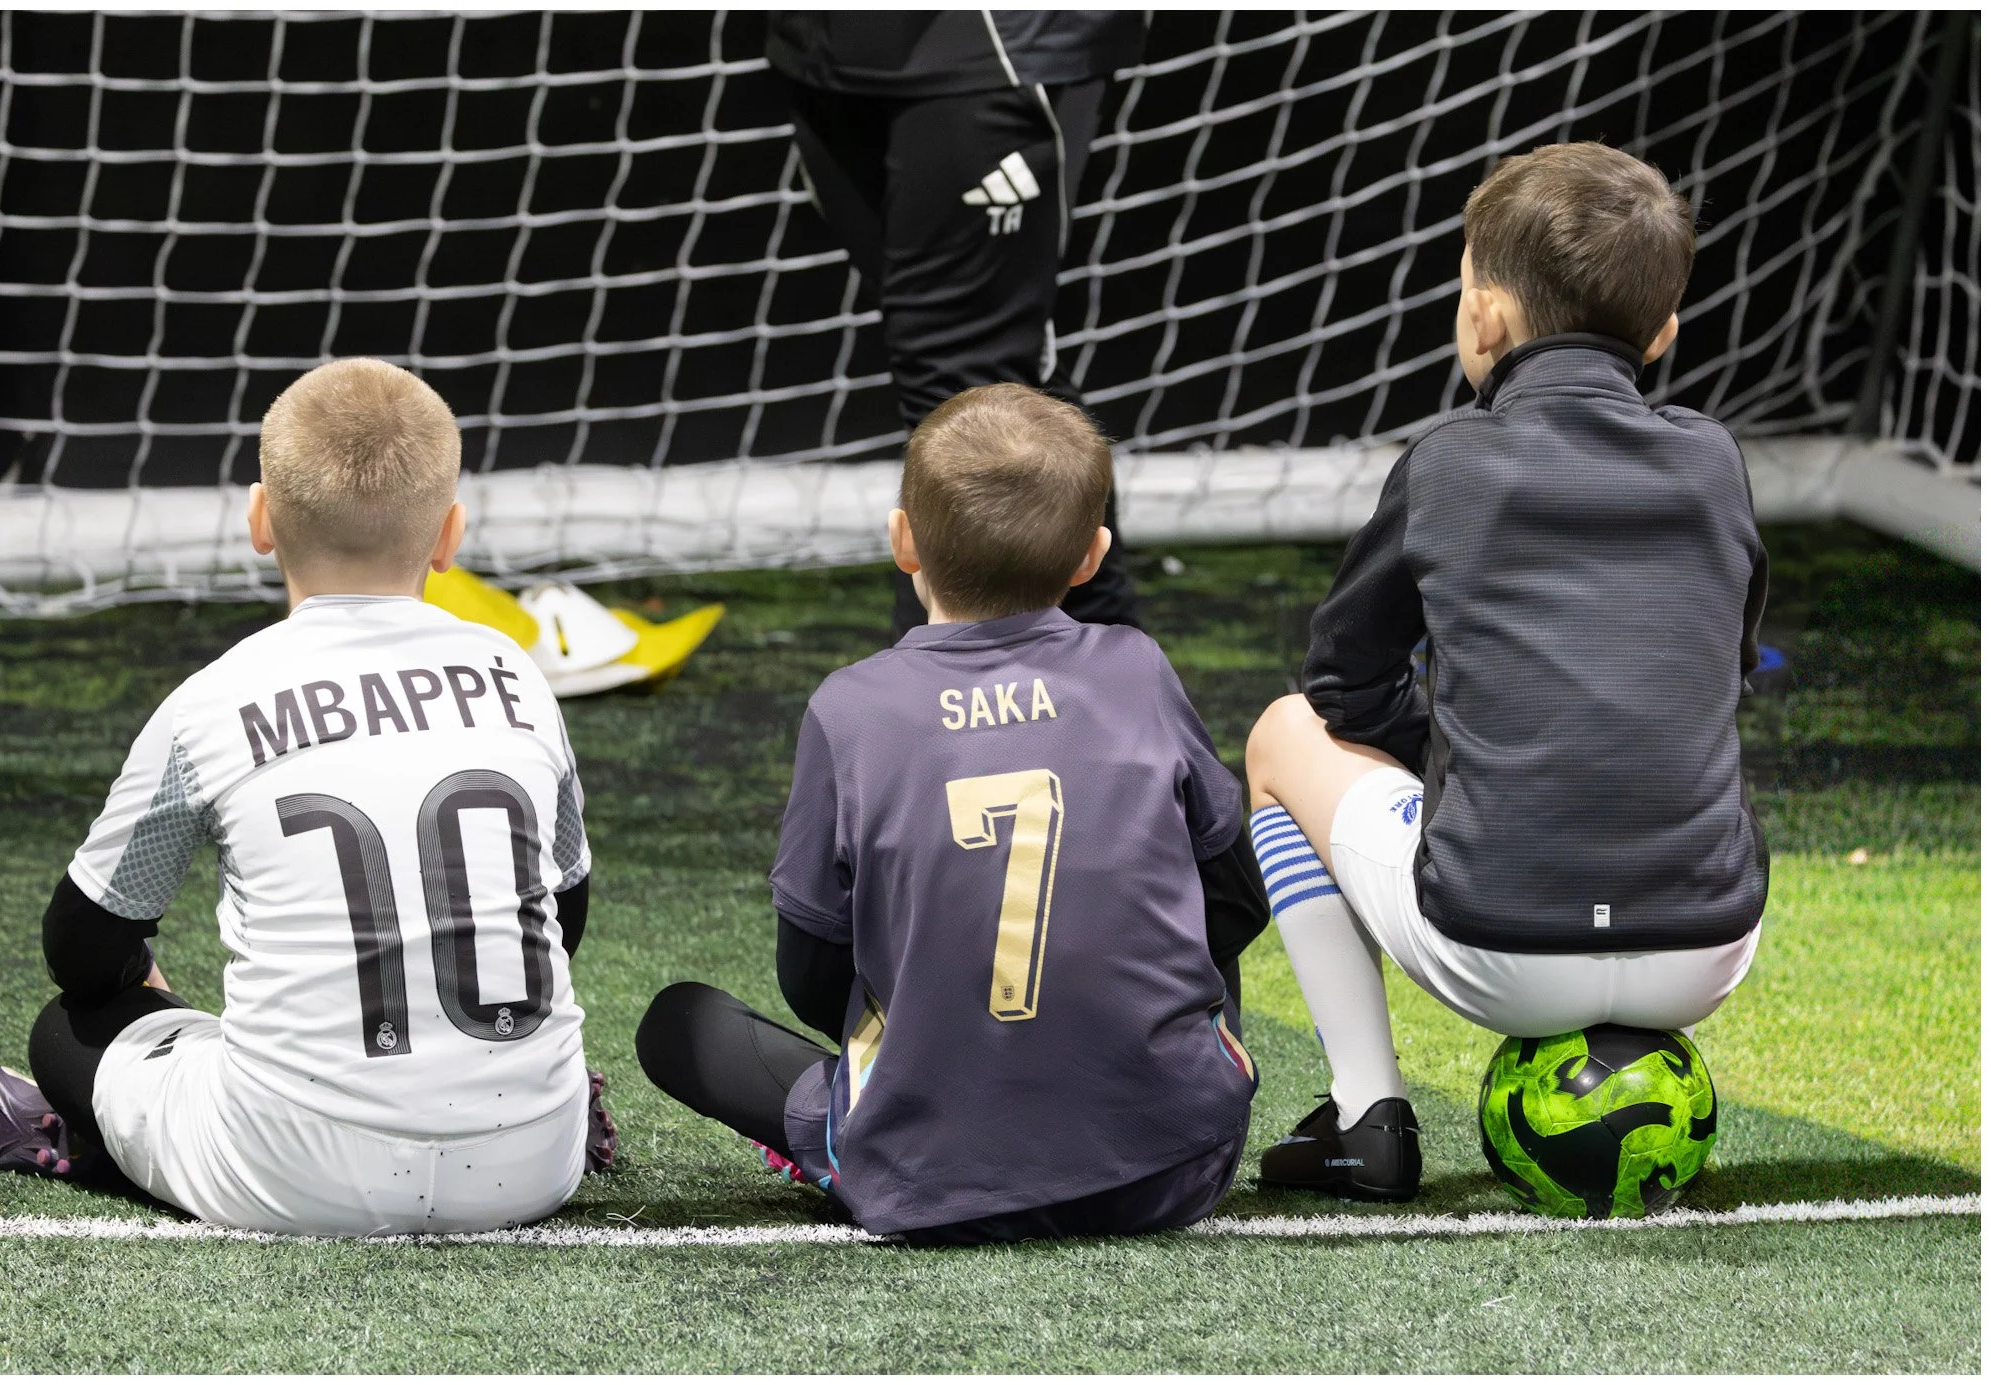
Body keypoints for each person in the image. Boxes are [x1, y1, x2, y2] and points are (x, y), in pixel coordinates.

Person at [0, 359, 615, 1235]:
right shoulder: (517, 678)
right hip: (534, 1161)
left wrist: (143, 983)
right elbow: (565, 914)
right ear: (449, 536)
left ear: (260, 519)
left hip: (291, 1176)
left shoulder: (210, 702)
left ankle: (92, 1142)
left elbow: (79, 938)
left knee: (68, 1030)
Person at [1245, 142, 1770, 1201]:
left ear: (1483, 317)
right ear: (1662, 333)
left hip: (1497, 946)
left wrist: (1453, 755)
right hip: (1707, 943)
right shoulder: (1715, 459)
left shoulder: (1446, 462)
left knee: (1278, 735)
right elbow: (1726, 669)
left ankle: (1364, 1115)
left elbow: (1341, 683)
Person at [634, 383, 1268, 1244]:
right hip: (1175, 1166)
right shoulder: (1137, 668)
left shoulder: (849, 707)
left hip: (931, 1178)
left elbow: (809, 973)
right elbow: (1235, 900)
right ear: (1092, 555)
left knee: (679, 1023)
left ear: (902, 541)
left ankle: (878, 1129)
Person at [765, 11, 1146, 638]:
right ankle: (1111, 667)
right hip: (823, 45)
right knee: (993, 365)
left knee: (963, 387)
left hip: (992, 42)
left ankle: (946, 695)